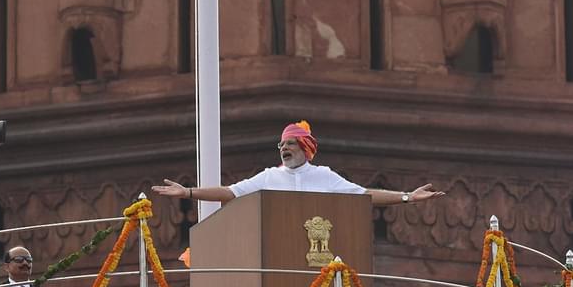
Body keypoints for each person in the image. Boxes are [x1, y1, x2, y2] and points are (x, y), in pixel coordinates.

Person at [152, 120, 445, 205]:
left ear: (305, 148)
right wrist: (188, 192)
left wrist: (408, 197)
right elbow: (229, 192)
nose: (284, 149)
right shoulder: (268, 177)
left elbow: (364, 196)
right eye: (281, 145)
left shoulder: (324, 176)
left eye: (290, 144)